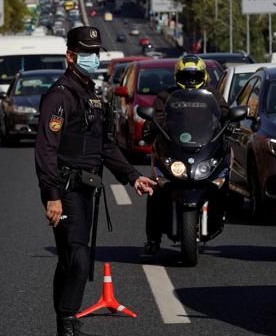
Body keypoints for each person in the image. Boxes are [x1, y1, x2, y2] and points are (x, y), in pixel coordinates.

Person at [35, 26, 157, 336]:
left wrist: (133, 177)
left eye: (96, 53)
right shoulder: (59, 96)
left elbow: (106, 147)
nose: (93, 58)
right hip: (64, 188)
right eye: (87, 53)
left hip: (87, 187)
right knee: (77, 256)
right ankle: (67, 324)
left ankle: (66, 317)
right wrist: (51, 194)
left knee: (71, 258)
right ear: (70, 56)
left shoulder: (92, 97)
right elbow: (46, 148)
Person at [142, 54, 229, 256]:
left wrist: (229, 123)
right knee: (156, 190)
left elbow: (224, 113)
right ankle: (153, 239)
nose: (190, 80)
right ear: (177, 76)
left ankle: (220, 212)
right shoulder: (166, 96)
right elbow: (157, 116)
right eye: (185, 76)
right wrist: (153, 126)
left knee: (224, 175)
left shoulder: (212, 95)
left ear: (203, 76)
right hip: (173, 150)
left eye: (194, 76)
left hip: (203, 149)